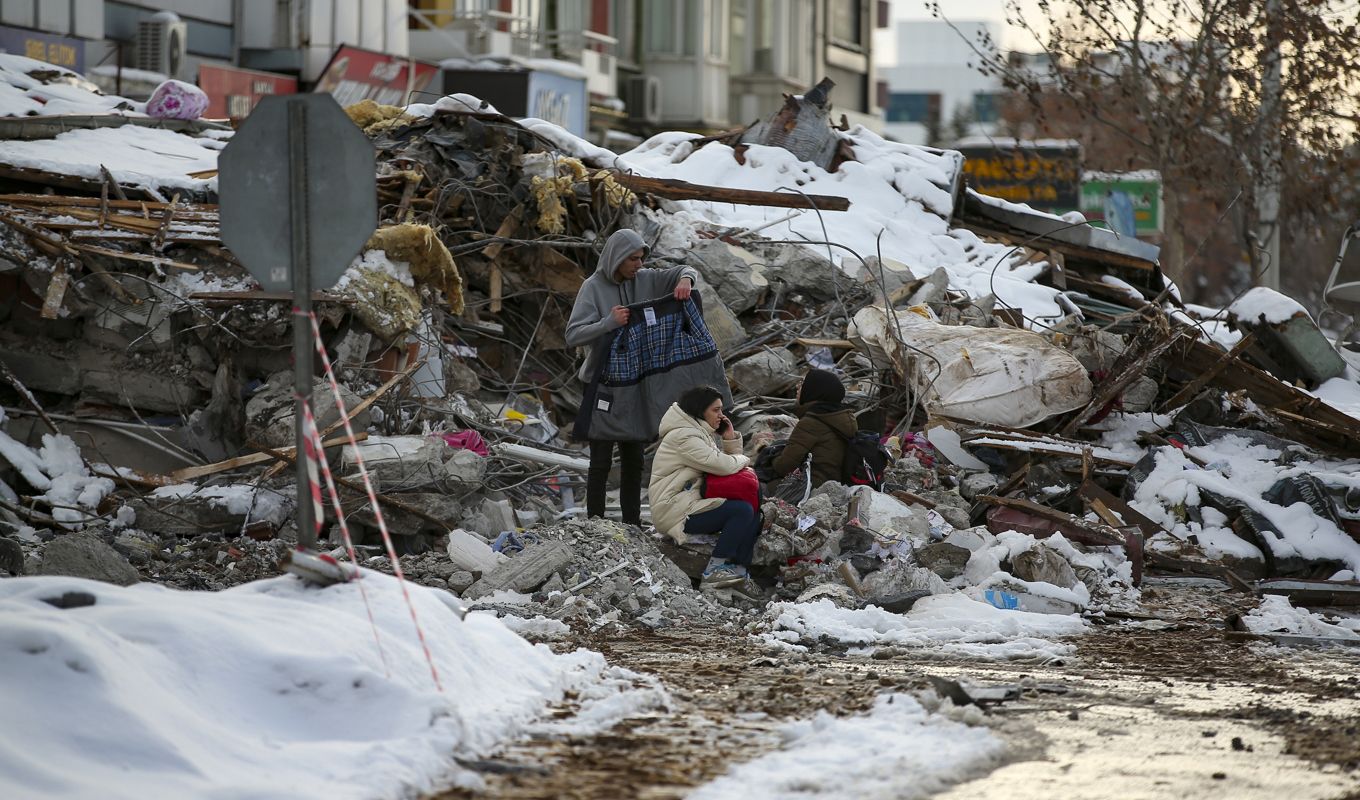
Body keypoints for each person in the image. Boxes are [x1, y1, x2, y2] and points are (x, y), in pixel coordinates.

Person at [565, 228, 700, 525]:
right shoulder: (592, 288)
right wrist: (607, 322)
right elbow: (573, 334)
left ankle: (632, 526)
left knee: (633, 461)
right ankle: (595, 524)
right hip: (602, 383)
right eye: (634, 259)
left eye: (641, 259)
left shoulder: (643, 279)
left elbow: (684, 269)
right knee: (600, 460)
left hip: (636, 382)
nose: (639, 265)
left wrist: (686, 281)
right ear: (616, 259)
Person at [649, 385, 761, 588]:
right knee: (742, 510)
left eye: (721, 409)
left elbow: (725, 467)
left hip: (690, 502)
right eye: (716, 410)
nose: (721, 415)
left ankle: (739, 569)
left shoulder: (699, 432)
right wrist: (744, 458)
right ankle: (713, 571)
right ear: (700, 410)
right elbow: (723, 465)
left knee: (752, 505)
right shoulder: (684, 436)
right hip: (674, 511)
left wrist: (729, 438)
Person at [768, 368, 857, 489]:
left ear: (814, 390)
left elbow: (784, 467)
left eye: (803, 384)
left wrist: (766, 453)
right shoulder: (841, 418)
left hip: (813, 485)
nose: (797, 387)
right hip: (835, 483)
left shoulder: (812, 422)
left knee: (758, 487)